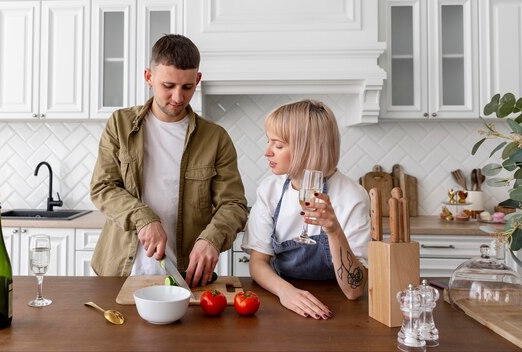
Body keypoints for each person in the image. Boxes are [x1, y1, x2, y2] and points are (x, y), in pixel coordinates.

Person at [90, 34, 248, 287]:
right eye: (168, 86)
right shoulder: (120, 124)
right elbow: (103, 188)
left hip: (185, 276)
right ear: (148, 77)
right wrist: (145, 219)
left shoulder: (216, 138)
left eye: (187, 87)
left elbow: (234, 204)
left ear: (197, 79)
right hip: (119, 271)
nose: (177, 97)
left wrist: (212, 238)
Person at [242, 99, 370, 319]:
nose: (267, 152)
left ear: (306, 149)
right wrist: (287, 293)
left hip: (338, 310)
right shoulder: (269, 190)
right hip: (281, 301)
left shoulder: (352, 196)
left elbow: (354, 290)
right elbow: (258, 262)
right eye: (269, 142)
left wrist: (334, 231)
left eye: (278, 145)